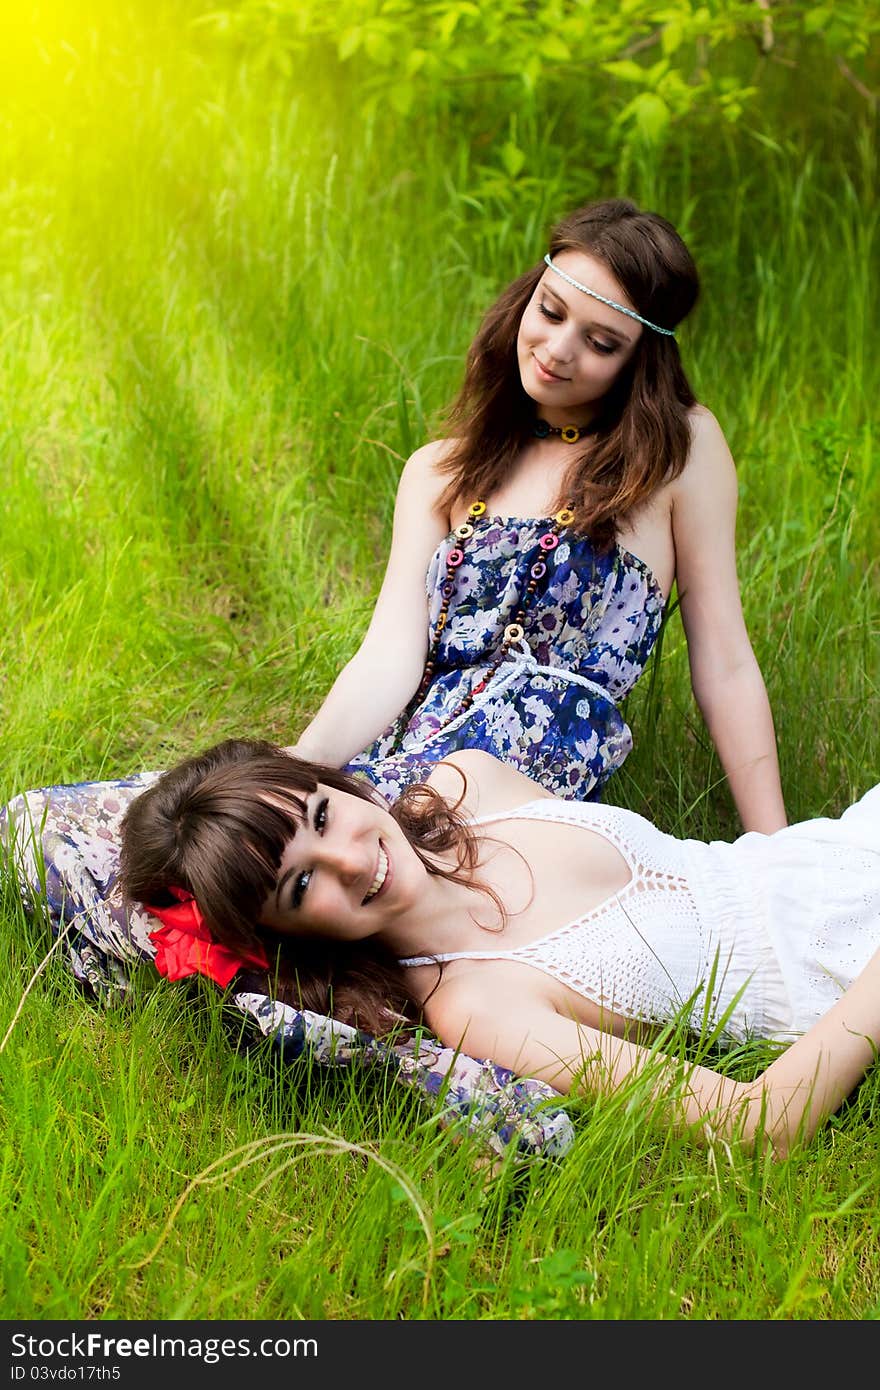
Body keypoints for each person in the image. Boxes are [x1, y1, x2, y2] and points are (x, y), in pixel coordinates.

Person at [117, 738, 879, 1157]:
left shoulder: (465, 783)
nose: (350, 862)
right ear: (287, 938)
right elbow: (762, 1124)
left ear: (333, 783)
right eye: (298, 887)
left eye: (320, 816)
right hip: (847, 971)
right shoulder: (475, 1006)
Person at [293, 196, 787, 832]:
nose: (557, 350)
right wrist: (299, 768)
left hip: (531, 761)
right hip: (408, 754)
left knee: (377, 855)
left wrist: (776, 848)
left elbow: (725, 661)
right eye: (549, 312)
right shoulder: (440, 471)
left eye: (601, 342)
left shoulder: (677, 451)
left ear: (639, 361)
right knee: (198, 828)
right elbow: (390, 657)